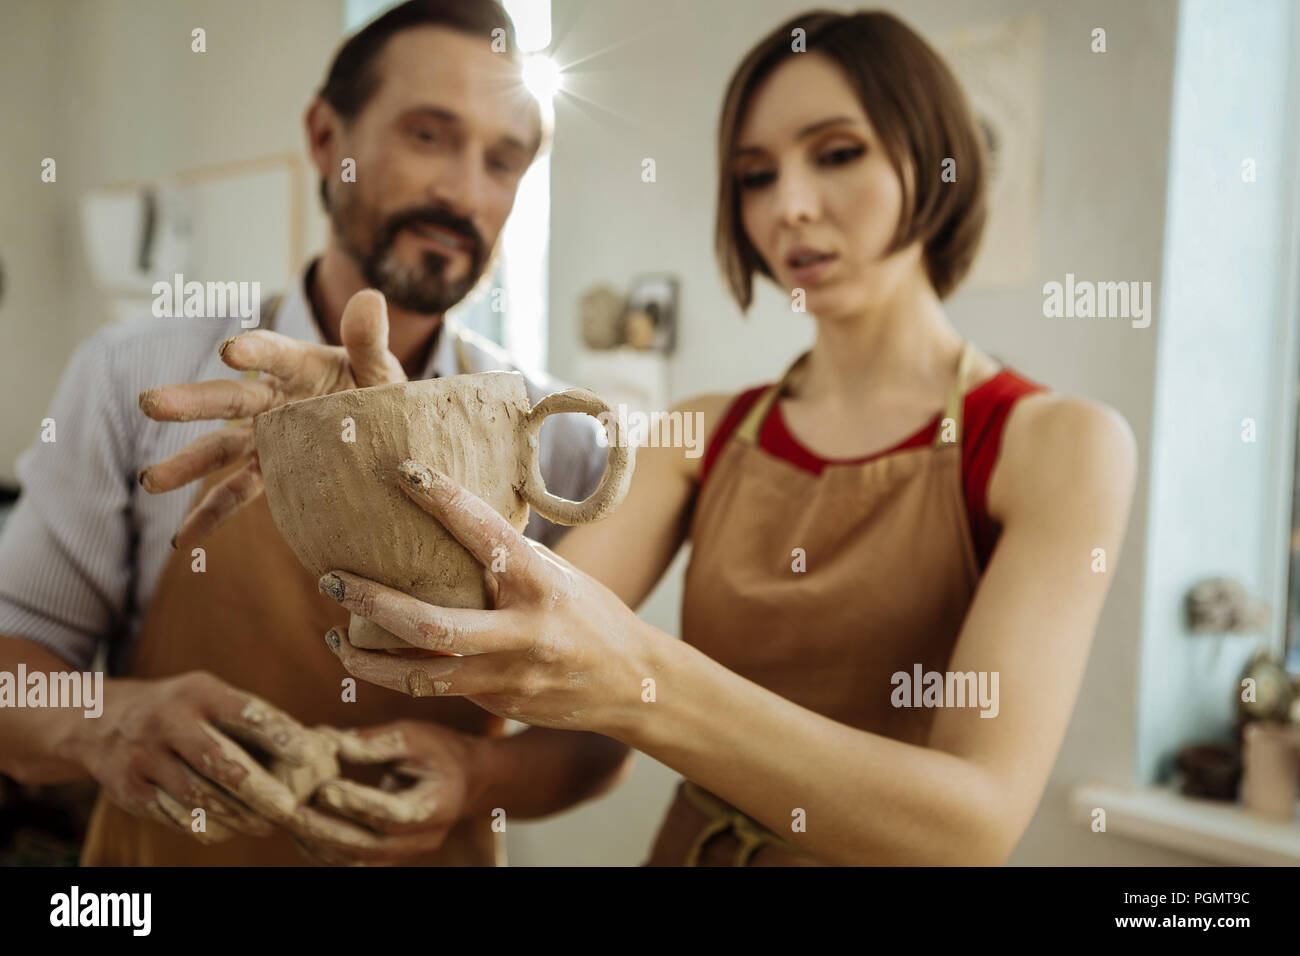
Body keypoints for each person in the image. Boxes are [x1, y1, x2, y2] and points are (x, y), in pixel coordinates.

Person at [302, 9, 1139, 865]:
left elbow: (972, 824)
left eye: (838, 153)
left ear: (934, 158)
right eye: (754, 175)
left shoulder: (1057, 446)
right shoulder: (699, 433)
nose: (791, 208)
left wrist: (642, 683)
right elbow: (505, 619)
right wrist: (335, 435)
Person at [0, 0, 630, 867]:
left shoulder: (556, 438)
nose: (463, 190)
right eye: (427, 135)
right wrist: (110, 722)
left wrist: (479, 776)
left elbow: (605, 735)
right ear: (327, 136)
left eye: (504, 159)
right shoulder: (135, 374)